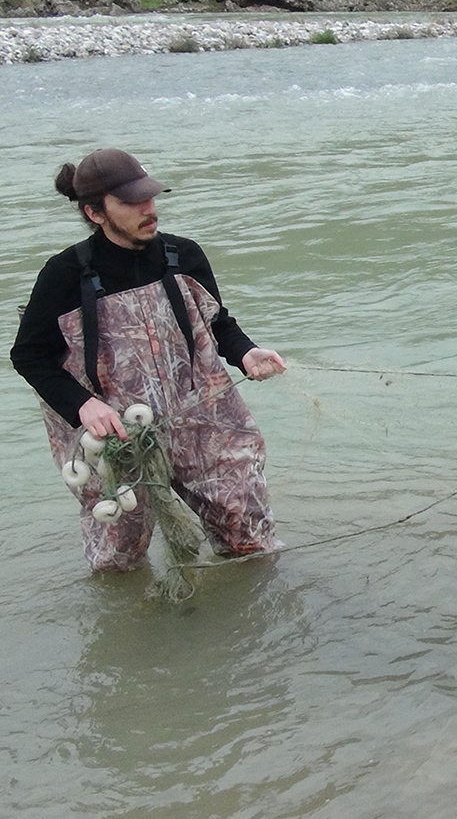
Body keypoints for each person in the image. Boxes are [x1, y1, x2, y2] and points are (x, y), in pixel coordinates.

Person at [10, 148, 287, 572]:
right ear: (95, 212)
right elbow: (28, 356)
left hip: (203, 422)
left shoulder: (184, 256)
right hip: (117, 436)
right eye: (131, 202)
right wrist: (83, 404)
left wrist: (246, 352)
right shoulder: (63, 275)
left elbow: (217, 323)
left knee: (249, 539)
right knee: (119, 558)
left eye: (150, 197)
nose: (148, 209)